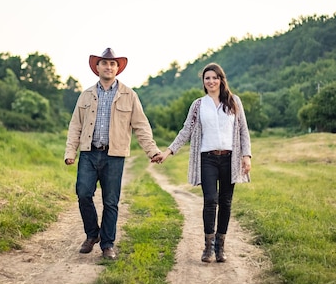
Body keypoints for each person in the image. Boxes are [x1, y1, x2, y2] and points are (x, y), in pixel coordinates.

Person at [65, 48, 161, 260]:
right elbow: (75, 125)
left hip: (114, 156)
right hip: (89, 154)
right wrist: (70, 151)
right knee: (83, 193)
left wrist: (152, 150)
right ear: (97, 67)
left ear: (117, 69)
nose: (108, 67)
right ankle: (92, 234)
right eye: (104, 63)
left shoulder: (129, 95)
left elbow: (141, 126)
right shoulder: (86, 95)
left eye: (112, 64)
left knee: (110, 201)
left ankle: (107, 244)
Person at [152, 63, 251, 263]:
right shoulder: (198, 105)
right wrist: (169, 151)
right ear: (203, 82)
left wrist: (246, 156)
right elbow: (186, 130)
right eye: (207, 78)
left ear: (221, 80)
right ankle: (208, 247)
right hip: (208, 159)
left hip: (230, 158)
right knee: (210, 200)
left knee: (226, 202)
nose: (211, 81)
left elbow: (243, 130)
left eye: (215, 77)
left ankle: (220, 247)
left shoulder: (234, 102)